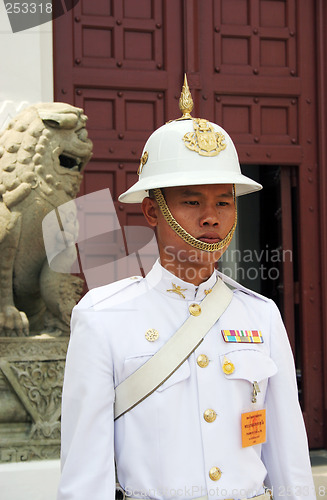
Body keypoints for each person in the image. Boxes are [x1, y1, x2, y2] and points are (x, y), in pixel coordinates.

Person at [57, 77, 316, 500]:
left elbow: (288, 459)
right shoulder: (102, 317)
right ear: (152, 211)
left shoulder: (260, 314)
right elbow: (86, 475)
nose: (211, 217)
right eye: (192, 202)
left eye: (224, 201)